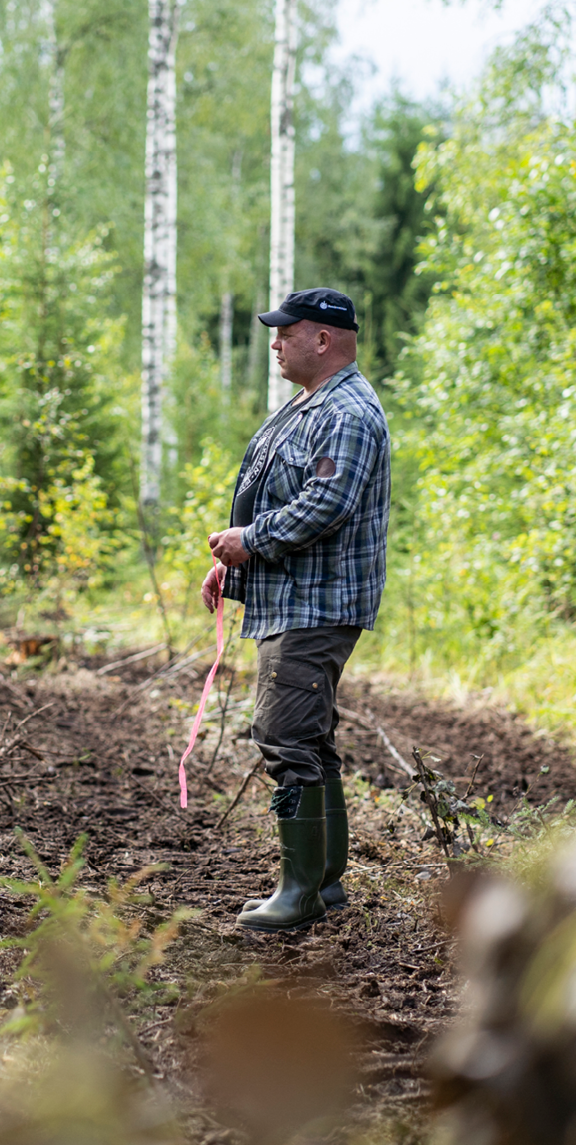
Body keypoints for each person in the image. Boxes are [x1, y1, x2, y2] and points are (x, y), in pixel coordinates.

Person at [202, 288, 390, 931]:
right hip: (293, 596)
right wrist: (234, 561)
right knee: (307, 737)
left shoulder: (348, 413)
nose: (275, 342)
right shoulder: (307, 406)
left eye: (287, 332)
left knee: (282, 735)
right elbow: (279, 496)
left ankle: (300, 889)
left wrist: (248, 542)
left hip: (318, 602)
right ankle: (324, 884)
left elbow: (324, 505)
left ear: (325, 339)